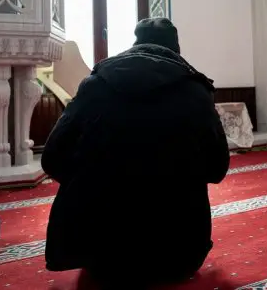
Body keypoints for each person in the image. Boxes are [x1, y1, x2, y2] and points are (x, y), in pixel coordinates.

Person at [41, 18, 231, 287]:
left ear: (135, 43)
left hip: (100, 252)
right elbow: (217, 168)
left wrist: (91, 178)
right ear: (175, 48)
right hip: (176, 254)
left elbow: (52, 158)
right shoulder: (195, 91)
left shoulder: (96, 84)